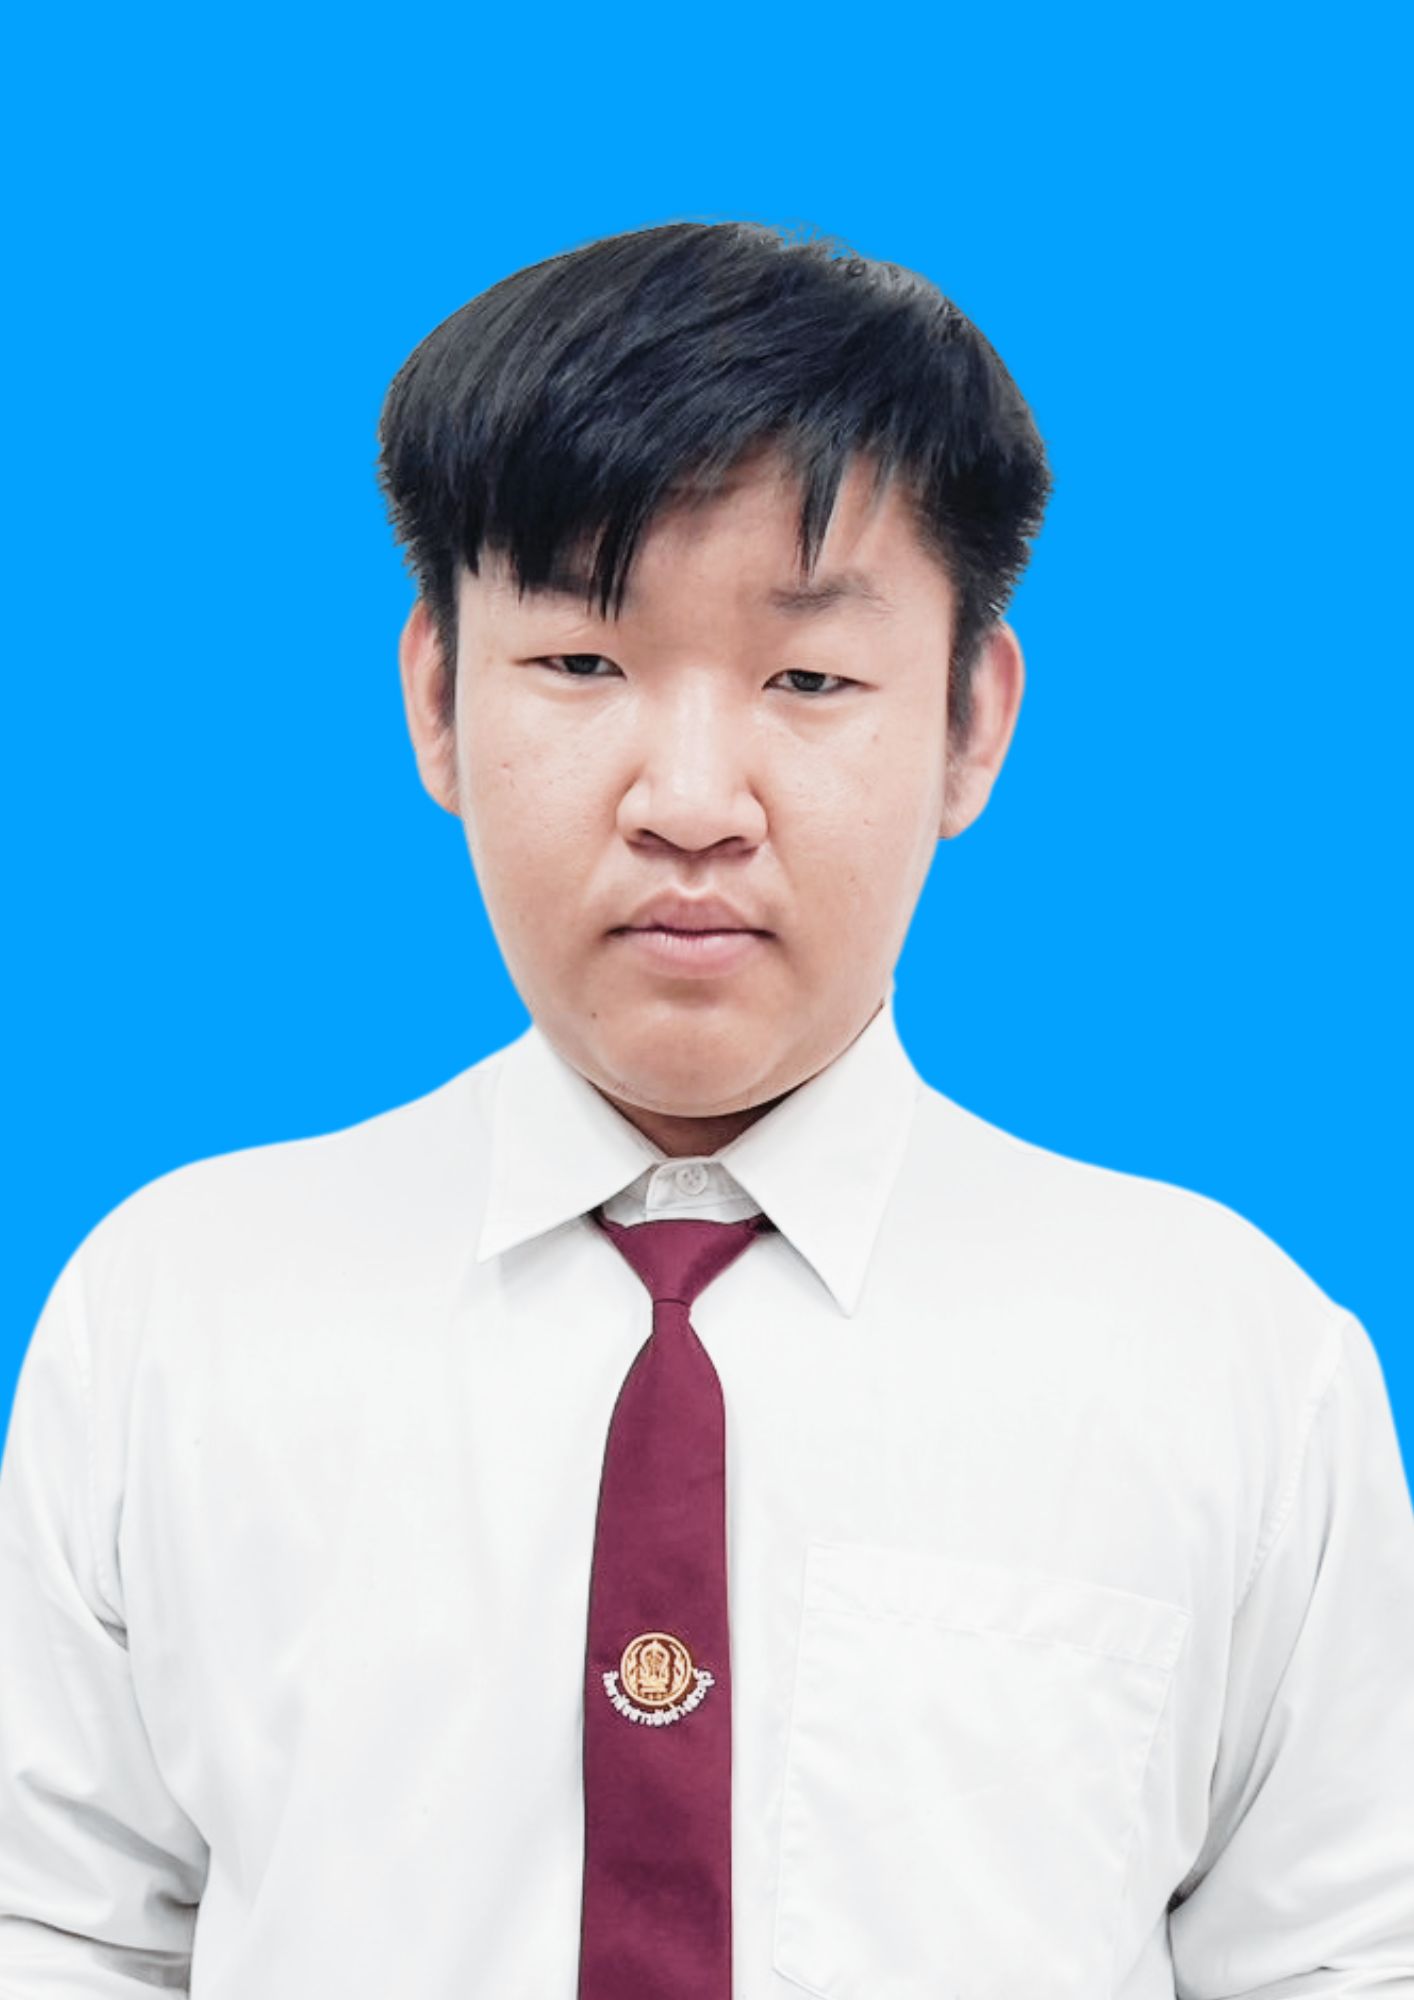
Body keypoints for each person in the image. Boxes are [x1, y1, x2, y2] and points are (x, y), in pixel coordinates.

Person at [0, 218, 1410, 1998]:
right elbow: (58, 1933)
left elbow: (1340, 1960)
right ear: (434, 696)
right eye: (581, 664)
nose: (686, 800)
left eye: (807, 680)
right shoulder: (179, 1309)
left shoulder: (1227, 1359)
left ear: (970, 721)